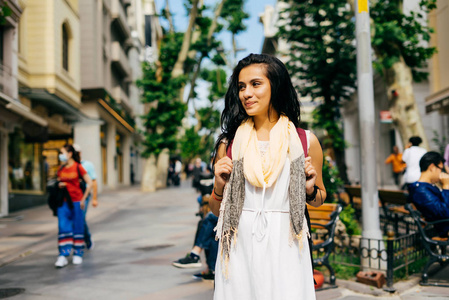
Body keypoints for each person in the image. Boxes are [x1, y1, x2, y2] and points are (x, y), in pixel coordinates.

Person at [210, 54, 326, 299]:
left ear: (276, 85)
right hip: (238, 242)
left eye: (255, 84)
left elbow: (319, 199)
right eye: (241, 87)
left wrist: (310, 189)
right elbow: (214, 208)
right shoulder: (229, 144)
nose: (246, 93)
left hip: (287, 242)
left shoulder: (305, 141)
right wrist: (219, 186)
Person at [55, 144, 92, 268]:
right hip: (63, 202)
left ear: (70, 153)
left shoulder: (78, 167)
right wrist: (59, 185)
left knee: (78, 226)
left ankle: (78, 253)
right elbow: (57, 181)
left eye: (62, 152)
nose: (61, 155)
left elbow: (90, 182)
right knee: (63, 226)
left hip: (77, 201)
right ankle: (63, 255)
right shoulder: (61, 168)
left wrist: (83, 199)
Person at [408, 151, 449, 237]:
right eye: (441, 169)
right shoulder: (420, 191)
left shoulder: (423, 187)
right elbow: (444, 213)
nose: (441, 172)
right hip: (444, 228)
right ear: (432, 167)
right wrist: (446, 186)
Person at [73, 144, 98, 250]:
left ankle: (87, 239)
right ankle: (78, 240)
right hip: (72, 197)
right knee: (74, 219)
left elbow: (93, 181)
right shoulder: (68, 166)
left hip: (85, 195)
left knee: (81, 218)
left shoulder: (87, 165)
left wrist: (95, 198)